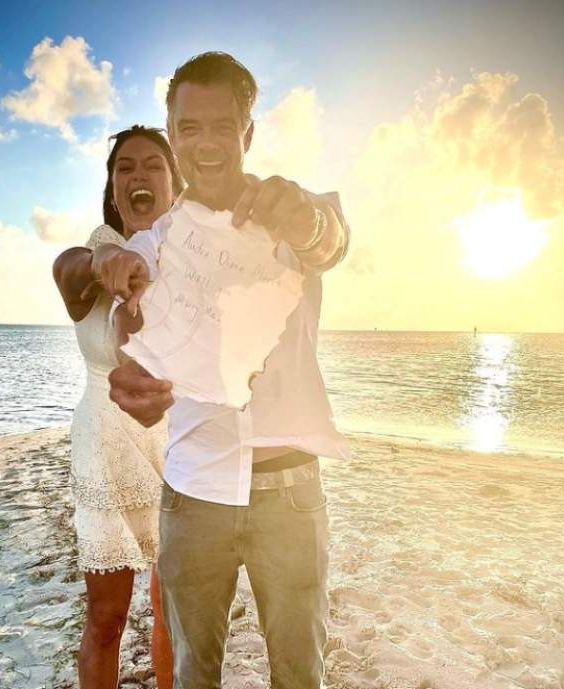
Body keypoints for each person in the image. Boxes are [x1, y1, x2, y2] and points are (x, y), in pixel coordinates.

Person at [107, 52, 351, 689]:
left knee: (301, 674)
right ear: (172, 131)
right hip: (192, 493)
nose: (206, 143)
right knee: (193, 673)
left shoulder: (294, 210)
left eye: (223, 126)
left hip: (291, 492)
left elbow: (330, 240)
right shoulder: (154, 243)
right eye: (189, 128)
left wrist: (307, 222)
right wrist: (128, 373)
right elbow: (125, 326)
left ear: (249, 131)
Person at [53, 125, 182, 689]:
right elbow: (67, 267)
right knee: (107, 616)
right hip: (106, 447)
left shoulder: (192, 264)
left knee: (173, 611)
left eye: (153, 164)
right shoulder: (95, 255)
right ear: (112, 189)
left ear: (175, 185)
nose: (138, 175)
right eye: (124, 167)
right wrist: (106, 256)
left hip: (178, 444)